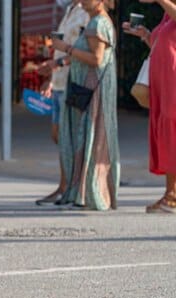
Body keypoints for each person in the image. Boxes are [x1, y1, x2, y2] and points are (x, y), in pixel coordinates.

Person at [52, 0, 119, 210]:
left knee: (89, 138)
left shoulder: (97, 23)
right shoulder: (97, 21)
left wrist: (66, 48)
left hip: (92, 90)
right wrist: (61, 61)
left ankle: (89, 192)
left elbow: (96, 59)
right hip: (94, 89)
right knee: (91, 138)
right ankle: (86, 191)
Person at [35, 0, 89, 205]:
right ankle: (66, 185)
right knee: (58, 135)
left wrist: (56, 64)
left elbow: (84, 51)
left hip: (72, 81)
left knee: (70, 137)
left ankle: (71, 187)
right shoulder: (69, 10)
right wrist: (50, 78)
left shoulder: (87, 13)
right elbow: (60, 48)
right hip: (59, 82)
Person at [126, 0, 176, 213]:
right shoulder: (167, 16)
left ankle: (172, 196)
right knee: (166, 137)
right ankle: (170, 194)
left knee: (172, 136)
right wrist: (146, 35)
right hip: (163, 85)